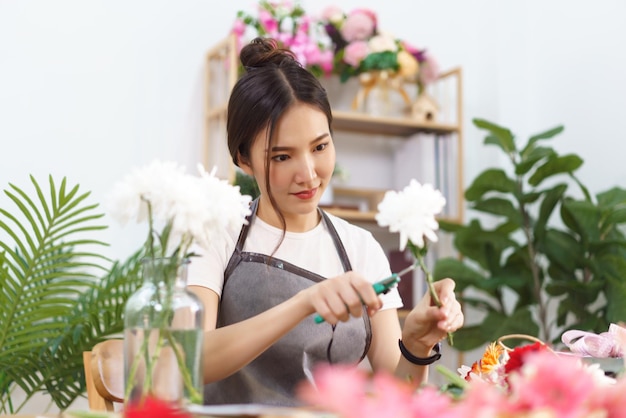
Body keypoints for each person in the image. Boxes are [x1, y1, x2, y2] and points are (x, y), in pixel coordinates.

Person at [187, 37, 464, 406]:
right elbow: (191, 358)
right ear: (243, 159)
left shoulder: (361, 249)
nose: (308, 174)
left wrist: (417, 343)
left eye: (320, 147)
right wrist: (304, 303)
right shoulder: (216, 233)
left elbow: (395, 398)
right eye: (282, 157)